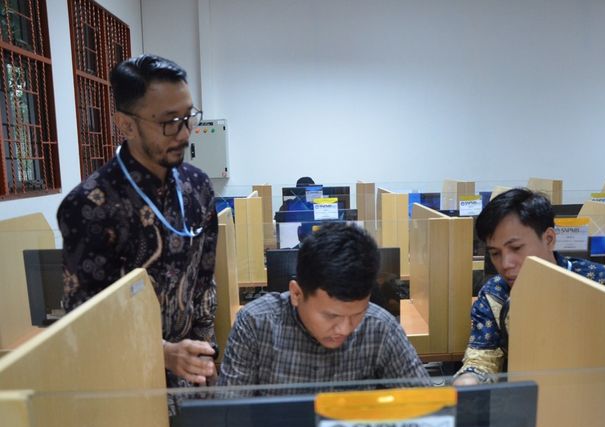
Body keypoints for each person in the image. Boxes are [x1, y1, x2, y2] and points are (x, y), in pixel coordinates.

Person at [57, 54, 218, 389]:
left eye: (189, 117)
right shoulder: (90, 204)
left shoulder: (198, 186)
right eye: (169, 122)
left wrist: (204, 355)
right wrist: (165, 354)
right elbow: (86, 317)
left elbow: (203, 281)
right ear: (126, 124)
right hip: (121, 379)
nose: (185, 133)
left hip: (190, 370)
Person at [454, 188, 605, 385]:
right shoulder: (495, 294)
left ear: (549, 239)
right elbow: (482, 360)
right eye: (495, 253)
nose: (505, 264)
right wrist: (468, 381)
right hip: (528, 401)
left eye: (516, 248)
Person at [219, 223, 430, 390]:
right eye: (331, 316)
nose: (345, 329)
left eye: (358, 314)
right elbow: (228, 420)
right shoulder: (256, 324)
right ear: (296, 293)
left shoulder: (380, 327)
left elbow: (430, 412)